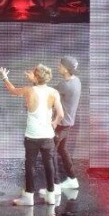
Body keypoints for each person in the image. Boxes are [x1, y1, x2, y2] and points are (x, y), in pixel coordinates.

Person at [0, 64, 64, 206]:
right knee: (49, 164)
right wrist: (54, 123)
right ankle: (51, 196)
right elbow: (61, 114)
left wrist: (4, 77)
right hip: (47, 136)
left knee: (30, 165)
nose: (30, 74)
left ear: (36, 77)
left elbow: (12, 90)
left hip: (32, 136)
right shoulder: (53, 92)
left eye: (33, 73)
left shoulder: (29, 90)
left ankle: (28, 197)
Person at [39, 56, 81, 197]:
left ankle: (55, 186)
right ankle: (72, 180)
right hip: (68, 124)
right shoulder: (77, 81)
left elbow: (47, 93)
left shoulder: (65, 85)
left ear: (67, 69)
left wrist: (36, 81)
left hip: (61, 125)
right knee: (62, 150)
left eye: (61, 65)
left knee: (50, 154)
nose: (58, 66)